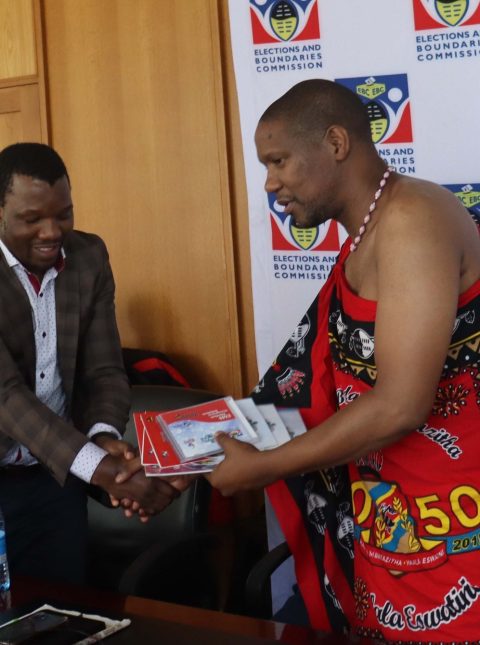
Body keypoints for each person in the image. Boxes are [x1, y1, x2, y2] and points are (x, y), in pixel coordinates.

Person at [207, 80, 480, 641]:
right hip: (389, 531)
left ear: (335, 143)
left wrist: (263, 467)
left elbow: (401, 405)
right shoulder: (366, 234)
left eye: (279, 160)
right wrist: (175, 463)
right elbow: (302, 388)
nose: (270, 183)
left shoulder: (413, 220)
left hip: (455, 536)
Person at [0, 142, 180, 585]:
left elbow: (105, 371)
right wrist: (103, 470)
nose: (51, 231)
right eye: (32, 219)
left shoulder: (88, 257)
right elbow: (6, 396)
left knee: (64, 609)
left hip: (55, 481)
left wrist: (103, 437)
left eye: (63, 214)